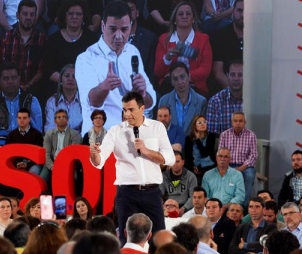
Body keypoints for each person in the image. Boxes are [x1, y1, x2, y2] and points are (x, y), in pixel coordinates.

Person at [89, 91, 175, 245]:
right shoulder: (116, 131)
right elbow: (99, 161)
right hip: (127, 194)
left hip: (152, 192)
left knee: (160, 239)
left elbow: (170, 158)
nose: (127, 114)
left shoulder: (157, 127)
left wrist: (147, 151)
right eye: (124, 110)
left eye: (131, 109)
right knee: (127, 240)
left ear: (142, 108)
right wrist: (95, 154)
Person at [76, 0, 156, 133]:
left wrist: (142, 93)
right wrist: (104, 87)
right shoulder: (86, 58)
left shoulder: (133, 52)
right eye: (113, 29)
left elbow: (149, 102)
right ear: (102, 26)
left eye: (124, 29)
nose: (119, 35)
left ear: (131, 26)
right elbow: (92, 102)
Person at [154, 1, 212, 96]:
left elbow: (205, 70)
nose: (184, 16)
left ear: (193, 19)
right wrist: (167, 58)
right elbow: (158, 72)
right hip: (170, 86)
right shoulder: (164, 39)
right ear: (175, 20)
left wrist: (182, 78)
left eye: (188, 14)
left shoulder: (203, 39)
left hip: (194, 85)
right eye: (180, 14)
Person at [44, 0, 97, 95]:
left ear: (83, 17)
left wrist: (79, 82)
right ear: (64, 16)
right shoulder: (53, 40)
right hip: (58, 89)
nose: (74, 17)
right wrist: (65, 82)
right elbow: (48, 69)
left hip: (85, 88)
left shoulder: (92, 39)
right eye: (71, 14)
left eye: (78, 14)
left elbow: (96, 67)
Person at [0, 0, 46, 95]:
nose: (28, 17)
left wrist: (28, 86)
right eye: (25, 14)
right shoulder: (7, 37)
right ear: (17, 15)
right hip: (10, 87)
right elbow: (3, 66)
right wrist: (16, 85)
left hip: (34, 88)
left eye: (32, 14)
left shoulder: (42, 39)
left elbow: (41, 69)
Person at [0, 62, 43, 133]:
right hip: (2, 142)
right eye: (6, 78)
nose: (10, 81)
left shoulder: (31, 100)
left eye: (13, 77)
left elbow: (38, 131)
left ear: (19, 78)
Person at [219, 111, 258, 206]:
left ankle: (243, 207)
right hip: (229, 165)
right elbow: (220, 154)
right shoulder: (224, 135)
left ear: (245, 123)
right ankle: (226, 205)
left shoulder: (251, 135)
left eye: (240, 121)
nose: (238, 123)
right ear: (232, 122)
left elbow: (253, 155)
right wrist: (228, 168)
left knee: (249, 175)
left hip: (245, 166)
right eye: (235, 121)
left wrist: (241, 168)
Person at [158, 62, 207, 134]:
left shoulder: (201, 102)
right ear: (171, 82)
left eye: (182, 76)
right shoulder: (164, 101)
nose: (180, 82)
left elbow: (202, 134)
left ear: (189, 77)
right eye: (175, 79)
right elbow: (160, 131)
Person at [210, 0, 244, 90]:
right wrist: (236, 92)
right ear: (233, 12)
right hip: (227, 89)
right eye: (239, 10)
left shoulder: (258, 36)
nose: (243, 15)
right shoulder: (221, 36)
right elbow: (218, 73)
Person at [123, 0, 158, 85]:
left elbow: (152, 72)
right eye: (124, 10)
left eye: (131, 9)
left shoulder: (149, 38)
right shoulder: (112, 38)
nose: (128, 13)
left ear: (137, 13)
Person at [42, 109, 82, 185]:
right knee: (43, 178)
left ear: (67, 120)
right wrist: (52, 167)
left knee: (75, 178)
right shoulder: (49, 134)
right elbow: (46, 153)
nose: (61, 119)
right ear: (55, 120)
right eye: (59, 117)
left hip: (68, 163)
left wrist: (64, 166)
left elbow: (74, 154)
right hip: (52, 162)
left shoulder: (74, 134)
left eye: (64, 117)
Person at [207, 60, 243, 134]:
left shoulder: (253, 101)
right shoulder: (215, 102)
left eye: (240, 75)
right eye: (232, 74)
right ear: (227, 76)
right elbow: (212, 138)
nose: (236, 79)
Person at [44, 64, 82, 133]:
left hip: (79, 141)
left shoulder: (86, 102)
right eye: (67, 76)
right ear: (61, 80)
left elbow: (88, 130)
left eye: (74, 76)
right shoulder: (52, 102)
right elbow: (49, 129)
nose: (70, 79)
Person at [159, 150, 196, 216]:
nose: (175, 164)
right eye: (173, 162)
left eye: (177, 161)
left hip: (185, 208)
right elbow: (159, 195)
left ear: (183, 162)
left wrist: (183, 209)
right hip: (168, 207)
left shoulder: (191, 176)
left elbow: (193, 196)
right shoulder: (164, 176)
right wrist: (164, 208)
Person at [184, 115, 217, 185]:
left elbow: (205, 153)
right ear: (194, 126)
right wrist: (193, 167)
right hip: (194, 166)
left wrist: (198, 140)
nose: (202, 124)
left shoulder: (211, 136)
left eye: (204, 122)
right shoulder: (189, 138)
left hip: (209, 165)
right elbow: (188, 156)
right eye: (199, 123)